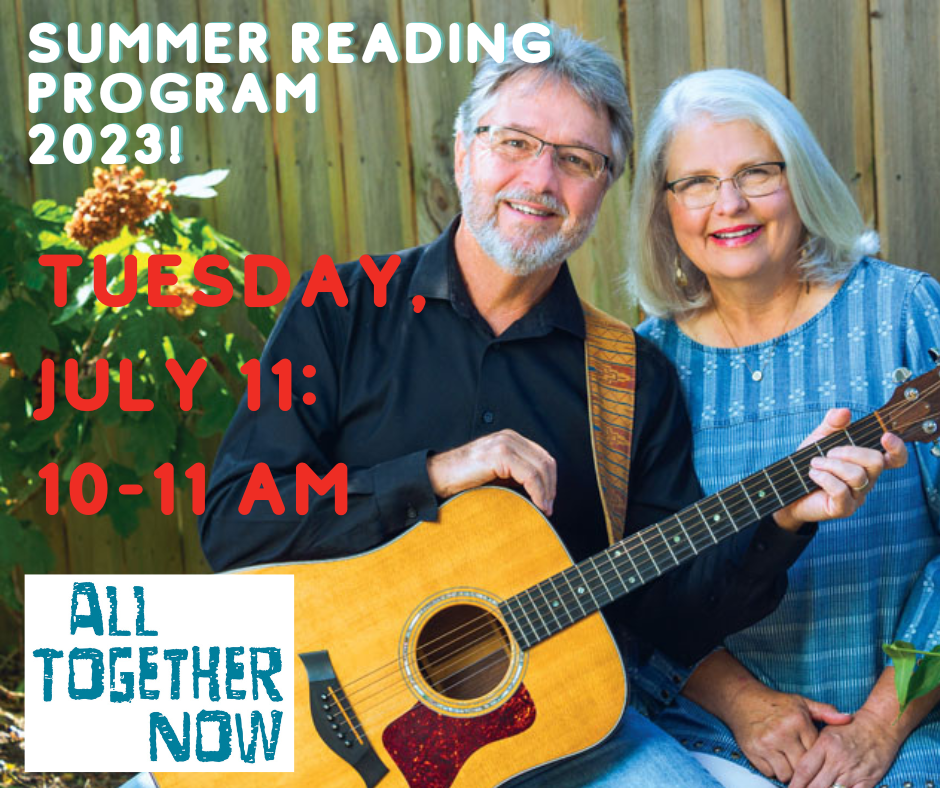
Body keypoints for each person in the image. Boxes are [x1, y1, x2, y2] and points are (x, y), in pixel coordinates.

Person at [200, 31, 895, 787]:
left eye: (577, 159)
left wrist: (783, 520)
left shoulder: (631, 376)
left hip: (556, 729)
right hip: (312, 706)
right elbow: (236, 522)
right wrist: (433, 474)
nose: (540, 178)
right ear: (465, 148)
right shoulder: (338, 310)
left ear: (604, 188)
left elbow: (669, 616)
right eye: (516, 142)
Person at [629, 68, 938, 788]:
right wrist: (747, 707)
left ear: (799, 180)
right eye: (696, 182)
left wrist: (878, 727)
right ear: (663, 208)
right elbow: (637, 591)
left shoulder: (903, 312)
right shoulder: (641, 367)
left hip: (906, 724)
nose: (728, 204)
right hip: (706, 732)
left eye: (756, 173)